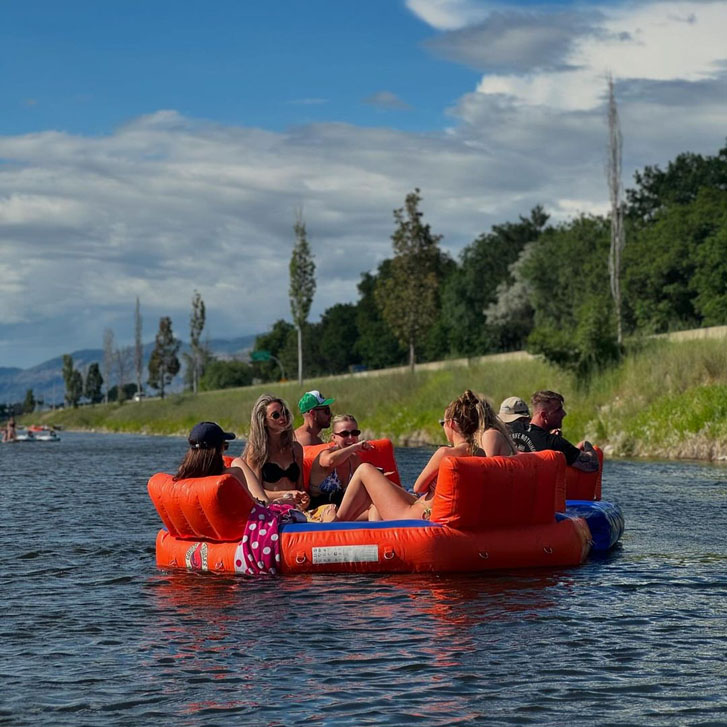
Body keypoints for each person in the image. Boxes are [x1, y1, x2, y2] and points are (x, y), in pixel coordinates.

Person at [335, 390, 488, 522]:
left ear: (452, 425)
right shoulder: (480, 453)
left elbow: (418, 486)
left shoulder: (445, 453)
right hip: (427, 508)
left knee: (365, 470)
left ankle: (335, 523)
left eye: (443, 423)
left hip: (416, 514)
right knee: (380, 484)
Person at [235, 394, 311, 509]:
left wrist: (304, 498)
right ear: (264, 421)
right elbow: (256, 493)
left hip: (296, 509)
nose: (282, 417)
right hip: (271, 509)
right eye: (276, 415)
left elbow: (300, 487)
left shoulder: (296, 449)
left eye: (284, 412)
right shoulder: (257, 451)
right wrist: (286, 494)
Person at [174, 421, 268, 503]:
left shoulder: (184, 475)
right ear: (217, 450)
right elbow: (252, 505)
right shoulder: (233, 474)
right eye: (225, 446)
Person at [510, 390, 599, 472]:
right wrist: (586, 444)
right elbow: (592, 464)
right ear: (544, 415)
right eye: (558, 410)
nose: (564, 414)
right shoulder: (555, 443)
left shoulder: (512, 428)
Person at [308, 414, 374, 509]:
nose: (351, 437)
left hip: (344, 512)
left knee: (374, 509)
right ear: (333, 437)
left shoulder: (354, 459)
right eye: (345, 434)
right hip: (321, 511)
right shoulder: (325, 454)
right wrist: (355, 447)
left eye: (355, 433)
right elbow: (329, 462)